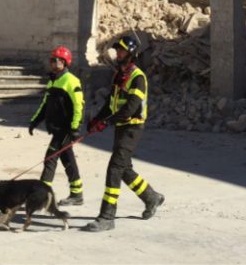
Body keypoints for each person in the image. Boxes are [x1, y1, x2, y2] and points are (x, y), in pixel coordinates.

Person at [82, 34, 165, 232]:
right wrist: (97, 119)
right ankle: (151, 197)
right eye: (117, 50)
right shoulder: (119, 75)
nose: (118, 54)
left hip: (132, 127)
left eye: (122, 51)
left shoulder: (138, 78)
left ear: (131, 54)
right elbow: (111, 103)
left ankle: (107, 217)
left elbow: (131, 108)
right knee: (124, 168)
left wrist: (107, 123)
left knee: (115, 168)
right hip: (121, 126)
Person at [29, 45, 85, 206]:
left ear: (64, 62)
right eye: (51, 60)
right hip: (56, 128)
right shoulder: (53, 80)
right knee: (68, 159)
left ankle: (42, 196)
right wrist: (35, 121)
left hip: (66, 129)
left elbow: (78, 105)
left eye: (56, 61)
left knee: (50, 159)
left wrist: (75, 128)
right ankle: (77, 193)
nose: (52, 63)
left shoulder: (71, 81)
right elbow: (45, 104)